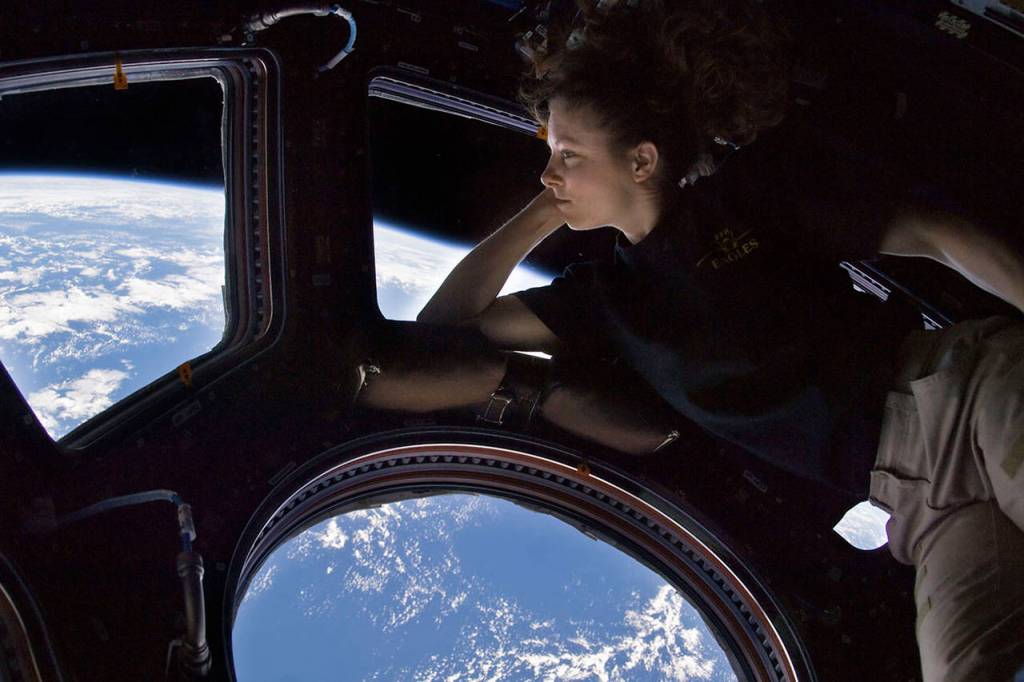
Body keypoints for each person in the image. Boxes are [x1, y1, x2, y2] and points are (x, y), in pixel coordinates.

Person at [359, 1, 1024, 678]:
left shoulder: (749, 197)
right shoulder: (606, 300)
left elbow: (936, 236)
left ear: (642, 160)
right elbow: (437, 335)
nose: (549, 173)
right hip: (919, 500)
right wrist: (538, 216)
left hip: (967, 397)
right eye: (548, 153)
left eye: (568, 155)